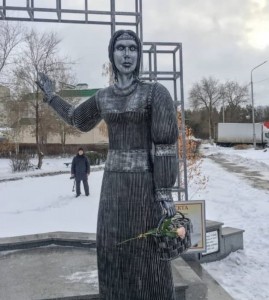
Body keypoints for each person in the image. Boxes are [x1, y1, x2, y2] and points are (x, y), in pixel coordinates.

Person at [36, 29, 178, 300]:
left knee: (149, 252)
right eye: (121, 48)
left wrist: (164, 191)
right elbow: (78, 119)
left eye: (133, 49)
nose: (127, 54)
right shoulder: (104, 97)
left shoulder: (155, 93)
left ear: (139, 55)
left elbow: (165, 145)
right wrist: (52, 96)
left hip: (145, 186)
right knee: (113, 248)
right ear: (111, 55)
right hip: (113, 186)